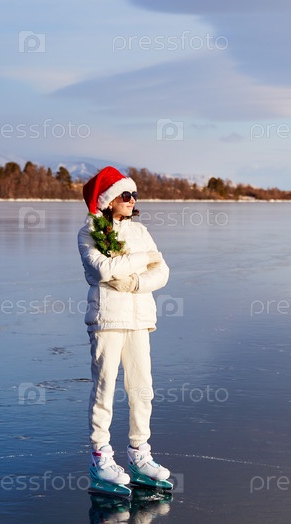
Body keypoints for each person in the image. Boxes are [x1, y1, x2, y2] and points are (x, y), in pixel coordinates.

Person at [78, 166, 171, 488]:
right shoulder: (89, 233)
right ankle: (100, 457)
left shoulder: (140, 232)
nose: (132, 200)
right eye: (126, 195)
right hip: (107, 318)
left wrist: (134, 283)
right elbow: (102, 270)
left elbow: (162, 271)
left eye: (134, 195)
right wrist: (143, 259)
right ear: (108, 200)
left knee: (142, 388)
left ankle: (139, 453)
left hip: (140, 318)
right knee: (104, 386)